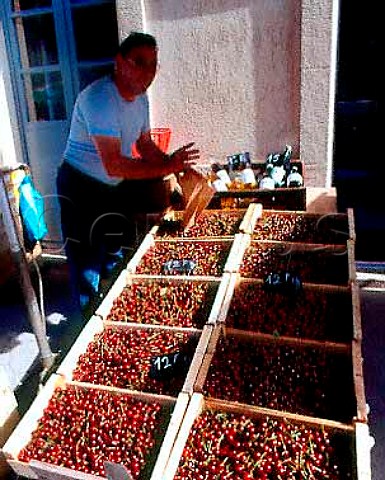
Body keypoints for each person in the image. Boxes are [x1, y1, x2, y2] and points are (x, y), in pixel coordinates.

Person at [56, 31, 199, 311]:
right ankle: (85, 327)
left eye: (153, 64)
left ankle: (110, 313)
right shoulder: (99, 99)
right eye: (139, 62)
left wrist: (174, 164)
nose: (147, 72)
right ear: (119, 62)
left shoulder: (141, 99)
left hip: (112, 186)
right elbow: (114, 163)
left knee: (113, 252)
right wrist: (167, 166)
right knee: (87, 263)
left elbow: (145, 145)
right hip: (80, 186)